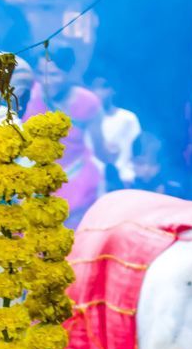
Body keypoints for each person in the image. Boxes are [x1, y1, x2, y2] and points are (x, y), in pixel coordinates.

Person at [23, 46, 104, 227]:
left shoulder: (88, 102)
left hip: (75, 184)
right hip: (33, 184)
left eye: (53, 74)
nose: (46, 82)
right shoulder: (26, 95)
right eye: (40, 73)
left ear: (70, 72)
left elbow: (102, 151)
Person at [91, 76, 141, 189]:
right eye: (94, 88)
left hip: (124, 180)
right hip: (95, 183)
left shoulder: (128, 118)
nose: (99, 92)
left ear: (113, 90)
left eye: (104, 87)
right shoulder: (87, 121)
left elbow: (138, 151)